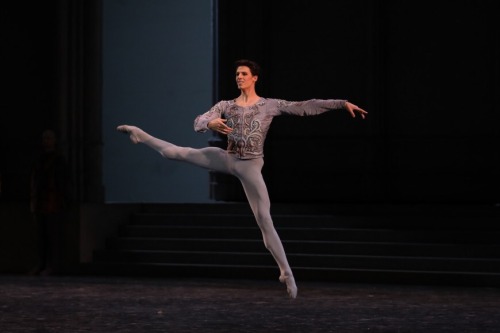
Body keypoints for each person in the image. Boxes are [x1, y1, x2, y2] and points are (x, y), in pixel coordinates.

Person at [117, 59, 367, 298]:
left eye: (244, 74)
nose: (239, 77)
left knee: (264, 219)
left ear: (254, 78)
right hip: (228, 158)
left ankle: (286, 271)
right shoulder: (226, 105)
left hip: (250, 166)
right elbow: (198, 121)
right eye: (237, 74)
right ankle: (141, 135)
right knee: (176, 153)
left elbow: (303, 106)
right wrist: (210, 123)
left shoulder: (269, 105)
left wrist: (341, 103)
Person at [29, 129, 71, 276]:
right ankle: (42, 263)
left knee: (53, 236)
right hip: (40, 202)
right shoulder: (39, 159)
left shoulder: (59, 160)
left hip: (53, 203)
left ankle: (52, 265)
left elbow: (62, 183)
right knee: (42, 237)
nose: (46, 141)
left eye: (49, 138)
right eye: (44, 138)